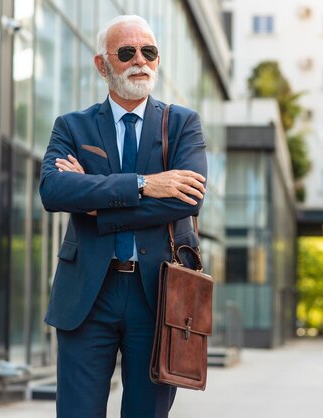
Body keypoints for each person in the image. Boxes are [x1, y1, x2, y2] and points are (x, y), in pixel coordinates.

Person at [39, 14, 207, 418]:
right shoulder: (72, 127)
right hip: (86, 297)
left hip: (159, 295)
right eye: (127, 52)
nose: (140, 62)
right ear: (103, 64)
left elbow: (187, 201)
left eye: (149, 52)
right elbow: (54, 191)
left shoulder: (182, 124)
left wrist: (96, 206)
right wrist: (142, 185)